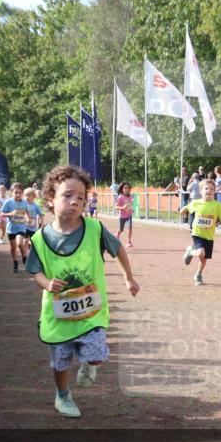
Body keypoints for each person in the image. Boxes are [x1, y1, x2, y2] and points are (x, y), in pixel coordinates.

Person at [27, 165, 139, 418]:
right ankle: (63, 396)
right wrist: (47, 283)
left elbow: (118, 249)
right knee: (61, 360)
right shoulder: (40, 239)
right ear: (50, 199)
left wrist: (129, 278)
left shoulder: (95, 229)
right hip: (58, 314)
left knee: (97, 354)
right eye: (67, 195)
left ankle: (90, 364)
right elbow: (35, 270)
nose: (75, 201)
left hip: (91, 312)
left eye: (81, 197)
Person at [180, 179, 221, 286]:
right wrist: (182, 211)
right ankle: (190, 252)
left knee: (203, 259)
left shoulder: (217, 205)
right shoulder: (196, 202)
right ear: (201, 191)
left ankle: (198, 274)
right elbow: (186, 208)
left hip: (209, 236)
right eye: (206, 188)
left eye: (212, 189)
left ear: (214, 191)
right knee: (200, 253)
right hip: (197, 233)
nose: (209, 190)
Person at [1, 182, 31, 273]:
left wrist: (28, 218)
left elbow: (26, 211)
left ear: (22, 193)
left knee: (19, 243)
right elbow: (1, 213)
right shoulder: (8, 202)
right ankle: (15, 262)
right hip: (11, 229)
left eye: (20, 192)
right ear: (12, 193)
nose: (18, 194)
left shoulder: (24, 202)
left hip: (21, 227)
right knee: (13, 248)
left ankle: (24, 257)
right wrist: (10, 214)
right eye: (16, 192)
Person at [23, 187, 43, 258]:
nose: (27, 197)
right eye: (26, 195)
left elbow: (41, 215)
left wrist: (42, 223)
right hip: (24, 226)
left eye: (29, 195)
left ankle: (30, 251)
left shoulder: (36, 206)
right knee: (24, 241)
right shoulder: (23, 205)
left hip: (33, 227)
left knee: (32, 242)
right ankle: (25, 255)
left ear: (33, 196)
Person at [115, 182, 134, 247]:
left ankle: (128, 241)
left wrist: (131, 210)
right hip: (122, 216)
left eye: (128, 188)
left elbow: (129, 206)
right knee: (121, 230)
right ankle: (116, 239)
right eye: (125, 188)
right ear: (122, 189)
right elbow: (116, 207)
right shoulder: (120, 197)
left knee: (130, 228)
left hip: (129, 216)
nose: (127, 189)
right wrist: (122, 207)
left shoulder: (130, 197)